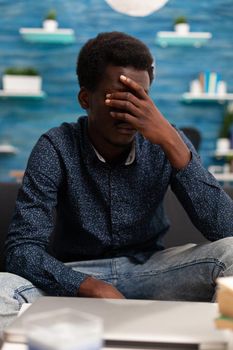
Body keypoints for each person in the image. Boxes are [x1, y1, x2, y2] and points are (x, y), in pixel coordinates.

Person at [1, 31, 233, 332]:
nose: (130, 113)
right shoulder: (56, 146)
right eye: (118, 99)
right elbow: (21, 250)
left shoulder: (166, 140)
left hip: (150, 271)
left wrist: (172, 143)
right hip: (74, 275)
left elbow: (226, 230)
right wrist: (92, 287)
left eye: (139, 98)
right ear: (86, 98)